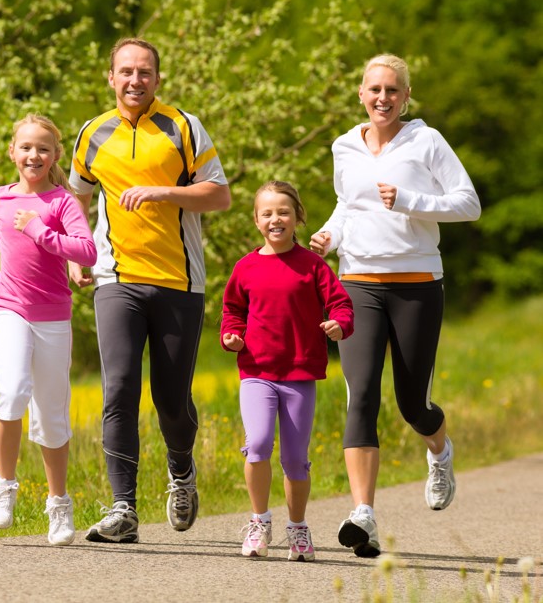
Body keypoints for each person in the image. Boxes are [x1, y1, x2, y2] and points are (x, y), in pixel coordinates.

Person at [309, 54, 481, 558]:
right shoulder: (344, 145)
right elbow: (348, 204)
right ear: (361, 93)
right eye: (374, 89)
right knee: (360, 394)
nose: (382, 98)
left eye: (392, 90)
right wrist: (330, 233)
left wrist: (411, 200)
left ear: (406, 97)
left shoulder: (426, 141)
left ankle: (439, 450)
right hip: (358, 281)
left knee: (412, 403)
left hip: (416, 283)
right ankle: (363, 513)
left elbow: (468, 203)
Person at [68, 37, 231, 543]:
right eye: (126, 71)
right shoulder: (92, 133)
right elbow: (75, 194)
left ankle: (181, 472)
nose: (135, 80)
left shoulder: (182, 126)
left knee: (172, 400)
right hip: (117, 279)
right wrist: (77, 252)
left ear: (157, 79)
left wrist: (164, 192)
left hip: (180, 281)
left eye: (145, 72)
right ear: (110, 78)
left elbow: (220, 195)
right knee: (118, 389)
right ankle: (124, 509)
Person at [0, 114, 97, 546]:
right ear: (12, 152)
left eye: (43, 148)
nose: (34, 155)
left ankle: (58, 502)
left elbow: (86, 250)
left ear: (55, 155)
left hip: (53, 315)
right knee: (10, 389)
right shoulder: (0, 198)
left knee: (50, 414)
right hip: (9, 307)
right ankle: (5, 485)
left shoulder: (62, 203)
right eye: (25, 147)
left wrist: (41, 231)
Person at [221, 181, 354, 561]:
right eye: (267, 213)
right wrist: (232, 335)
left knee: (295, 459)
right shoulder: (246, 267)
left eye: (284, 212)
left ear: (297, 218)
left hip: (299, 373)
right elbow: (232, 312)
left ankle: (297, 528)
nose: (275, 219)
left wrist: (339, 325)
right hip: (257, 371)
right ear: (257, 220)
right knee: (258, 443)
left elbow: (341, 304)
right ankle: (259, 521)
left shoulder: (313, 266)